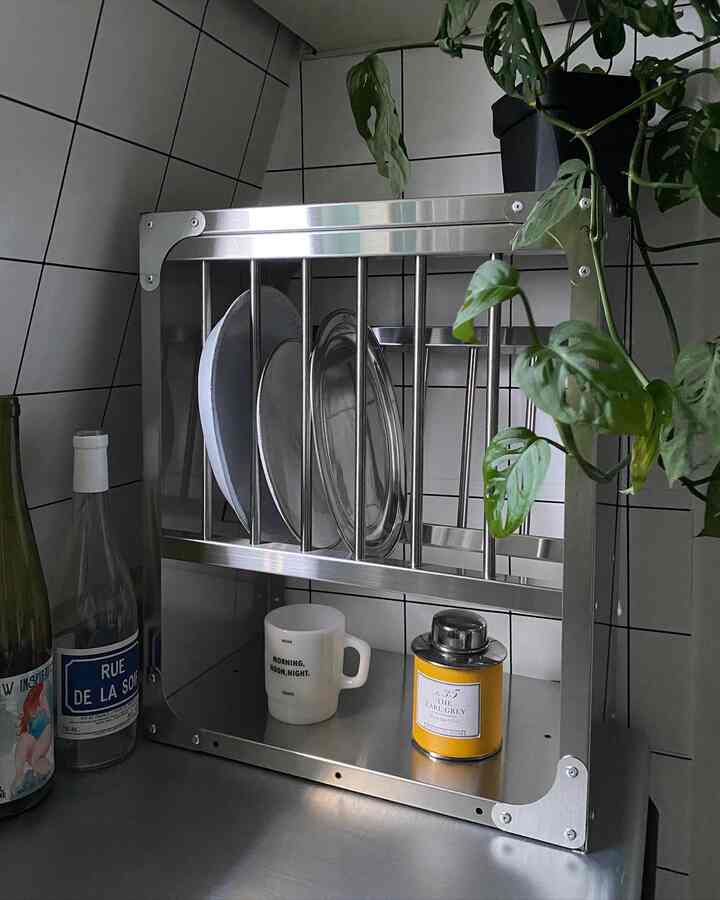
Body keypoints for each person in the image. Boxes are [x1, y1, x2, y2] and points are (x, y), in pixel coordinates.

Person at [11, 682, 52, 796]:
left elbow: (47, 723)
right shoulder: (28, 710)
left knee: (36, 759)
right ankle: (19, 775)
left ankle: (36, 770)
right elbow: (23, 732)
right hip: (33, 743)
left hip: (43, 737)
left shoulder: (43, 708)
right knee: (25, 738)